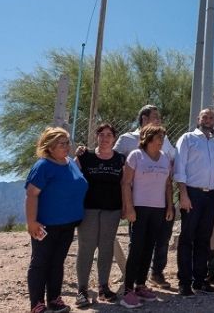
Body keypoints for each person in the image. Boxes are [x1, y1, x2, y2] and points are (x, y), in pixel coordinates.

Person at [25, 127, 88, 313]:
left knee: (57, 262)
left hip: (67, 224)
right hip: (46, 225)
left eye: (68, 142)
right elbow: (31, 195)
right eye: (62, 144)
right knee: (40, 262)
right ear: (50, 147)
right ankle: (37, 304)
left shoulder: (69, 162)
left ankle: (54, 299)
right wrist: (31, 222)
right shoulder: (43, 166)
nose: (66, 147)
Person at [114, 104, 177, 290]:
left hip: (159, 205)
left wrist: (169, 205)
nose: (161, 141)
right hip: (138, 204)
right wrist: (128, 206)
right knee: (137, 245)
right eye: (155, 116)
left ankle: (147, 279)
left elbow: (169, 177)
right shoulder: (131, 148)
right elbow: (121, 175)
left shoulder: (165, 150)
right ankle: (129, 286)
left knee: (155, 242)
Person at [74, 123, 125, 307]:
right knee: (86, 248)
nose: (105, 138)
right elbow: (72, 179)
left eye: (109, 135)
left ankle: (104, 287)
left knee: (106, 248)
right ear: (97, 136)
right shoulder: (84, 156)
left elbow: (125, 185)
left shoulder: (120, 159)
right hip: (88, 209)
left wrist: (126, 207)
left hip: (112, 210)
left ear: (114, 138)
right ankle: (82, 290)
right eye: (101, 134)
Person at [174, 108, 214, 297]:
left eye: (211, 117)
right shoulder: (187, 139)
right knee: (187, 239)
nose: (208, 120)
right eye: (205, 117)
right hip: (191, 194)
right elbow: (179, 167)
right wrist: (183, 194)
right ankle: (184, 282)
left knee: (203, 239)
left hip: (210, 197)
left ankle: (199, 281)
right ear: (198, 119)